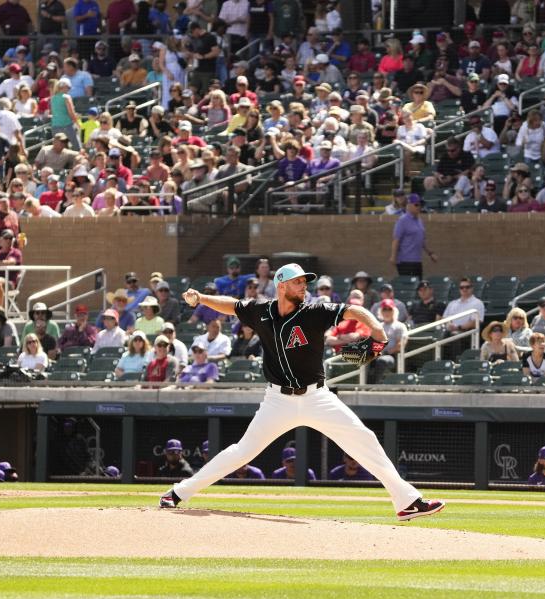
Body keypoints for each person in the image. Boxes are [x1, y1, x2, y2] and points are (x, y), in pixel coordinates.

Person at [159, 263, 444, 521]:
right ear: (282, 285)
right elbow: (232, 305)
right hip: (277, 400)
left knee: (364, 439)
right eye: (298, 282)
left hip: (316, 397)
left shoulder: (314, 312)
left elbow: (353, 310)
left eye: (305, 283)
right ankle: (177, 493)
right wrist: (202, 299)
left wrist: (376, 327)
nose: (304, 287)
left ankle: (407, 501)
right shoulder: (262, 311)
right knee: (241, 452)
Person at [390, 194, 437, 278]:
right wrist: (393, 257)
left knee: (418, 286)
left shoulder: (419, 221)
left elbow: (422, 240)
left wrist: (430, 253)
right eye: (416, 204)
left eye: (420, 205)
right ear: (408, 205)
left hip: (417, 260)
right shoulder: (402, 221)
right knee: (408, 286)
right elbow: (396, 240)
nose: (419, 207)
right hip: (405, 261)